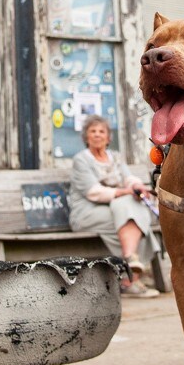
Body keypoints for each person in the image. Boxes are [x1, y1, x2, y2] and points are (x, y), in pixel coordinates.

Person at [67, 115, 159, 298]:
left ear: (108, 137)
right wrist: (126, 192)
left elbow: (128, 178)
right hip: (86, 212)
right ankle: (131, 276)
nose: (97, 135)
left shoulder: (115, 157)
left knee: (135, 211)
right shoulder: (81, 160)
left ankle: (130, 265)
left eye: (102, 131)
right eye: (92, 131)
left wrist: (136, 186)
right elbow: (94, 192)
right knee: (135, 217)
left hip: (114, 210)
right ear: (86, 137)